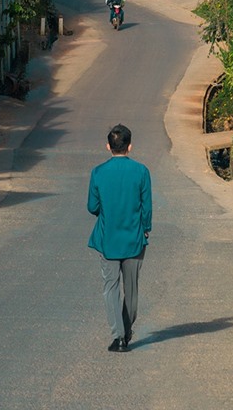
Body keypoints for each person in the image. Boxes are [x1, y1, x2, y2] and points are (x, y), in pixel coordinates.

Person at [87, 123, 152, 353]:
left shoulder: (98, 173)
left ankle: (119, 337)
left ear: (108, 147)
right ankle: (126, 329)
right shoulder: (142, 172)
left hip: (107, 239)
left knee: (110, 288)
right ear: (130, 147)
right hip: (134, 239)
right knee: (131, 290)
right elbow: (147, 208)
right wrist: (146, 228)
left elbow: (92, 206)